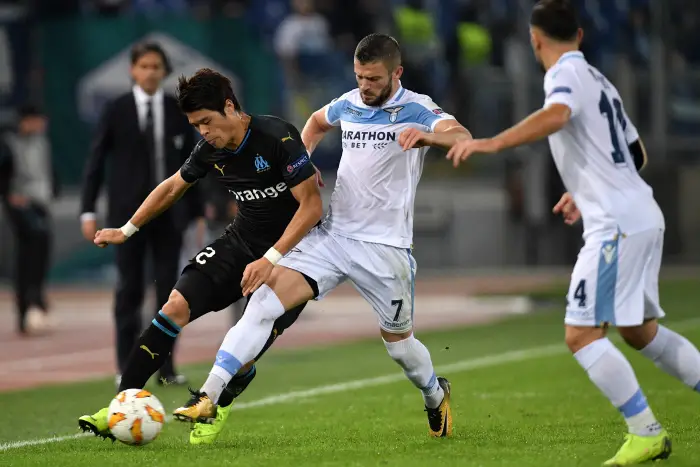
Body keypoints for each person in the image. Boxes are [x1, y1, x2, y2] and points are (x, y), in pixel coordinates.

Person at [172, 33, 472, 439]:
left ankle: (435, 393)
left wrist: (427, 136)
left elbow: (462, 137)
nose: (365, 86)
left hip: (385, 248)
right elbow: (314, 122)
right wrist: (304, 159)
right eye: (360, 76)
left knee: (400, 347)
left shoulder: (417, 108)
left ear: (396, 73)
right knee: (261, 303)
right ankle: (207, 395)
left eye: (374, 79)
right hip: (333, 236)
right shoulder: (349, 102)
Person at [445, 1, 700, 464]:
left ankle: (645, 431)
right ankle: (646, 428)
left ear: (534, 38)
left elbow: (557, 115)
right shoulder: (601, 80)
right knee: (640, 332)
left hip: (616, 225)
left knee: (581, 334)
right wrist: (583, 189)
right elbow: (635, 152)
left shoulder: (563, 75)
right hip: (641, 212)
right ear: (580, 35)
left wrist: (491, 141)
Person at [78, 67, 323, 446]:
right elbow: (173, 186)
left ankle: (216, 405)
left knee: (246, 351)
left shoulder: (278, 136)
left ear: (230, 106)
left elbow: (311, 207)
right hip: (240, 243)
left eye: (207, 121)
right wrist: (126, 230)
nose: (204, 132)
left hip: (295, 255)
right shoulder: (209, 148)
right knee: (174, 305)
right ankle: (120, 406)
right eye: (196, 125)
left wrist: (272, 258)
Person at [79, 41, 203, 387]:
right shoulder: (115, 109)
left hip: (169, 216)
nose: (150, 72)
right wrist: (88, 209)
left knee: (170, 293)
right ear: (133, 70)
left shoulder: (176, 110)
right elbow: (95, 161)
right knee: (129, 290)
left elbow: (194, 162)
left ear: (164, 72)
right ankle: (124, 367)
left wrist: (196, 212)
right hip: (126, 218)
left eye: (156, 67)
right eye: (144, 66)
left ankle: (165, 367)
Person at [0, 105, 58, 335]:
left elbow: (49, 171)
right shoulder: (8, 143)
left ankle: (36, 298)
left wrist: (54, 190)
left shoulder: (42, 143)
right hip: (20, 204)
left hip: (41, 202)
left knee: (42, 247)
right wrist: (8, 195)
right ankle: (29, 303)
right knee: (30, 247)